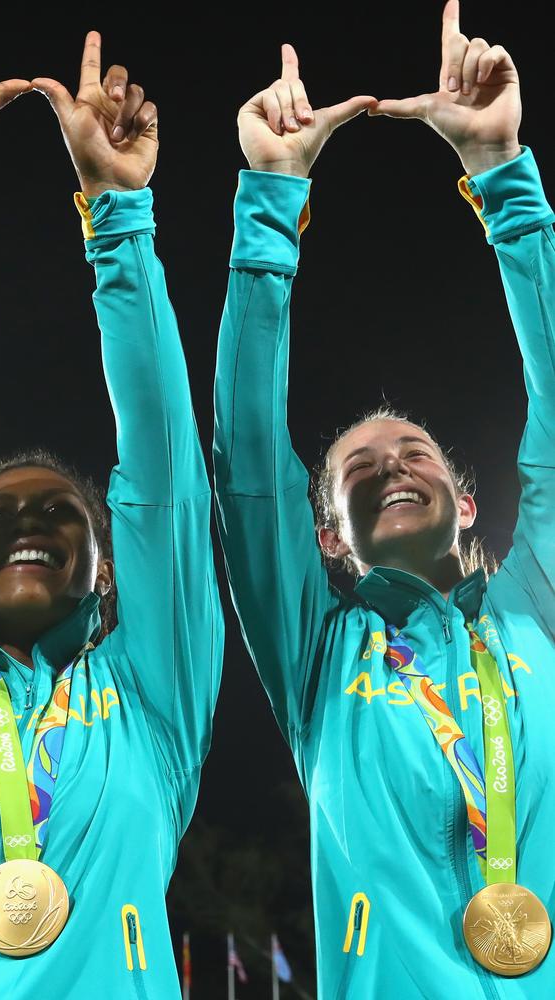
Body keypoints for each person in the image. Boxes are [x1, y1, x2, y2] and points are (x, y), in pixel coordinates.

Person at [213, 1, 555, 996]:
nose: (394, 465)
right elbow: (245, 459)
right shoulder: (320, 653)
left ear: (465, 498)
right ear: (326, 533)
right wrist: (270, 198)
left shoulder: (533, 603)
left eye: (413, 454)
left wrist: (501, 171)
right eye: (358, 471)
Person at [0, 11, 223, 999]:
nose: (34, 520)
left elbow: (165, 472)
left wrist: (120, 221)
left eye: (63, 514)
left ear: (112, 568)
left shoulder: (151, 702)